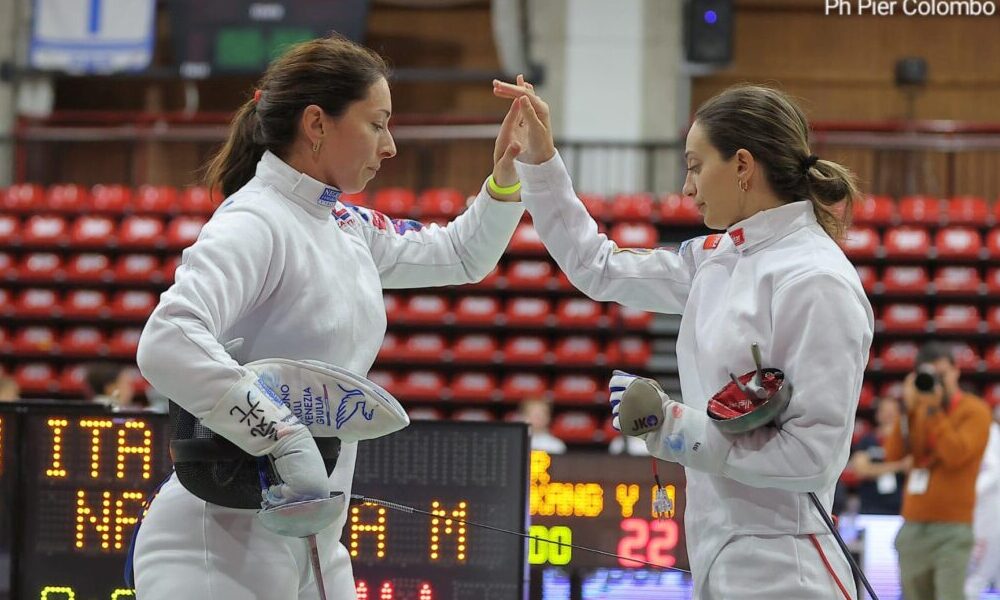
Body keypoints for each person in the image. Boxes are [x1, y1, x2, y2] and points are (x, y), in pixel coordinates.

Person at [132, 35, 526, 599]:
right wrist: (284, 438)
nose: (390, 146)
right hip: (217, 543)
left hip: (313, 539)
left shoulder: (343, 224)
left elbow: (463, 255)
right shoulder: (254, 221)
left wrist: (506, 176)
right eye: (377, 123)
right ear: (317, 124)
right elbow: (168, 342)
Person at [495, 79, 873, 599]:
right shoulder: (719, 258)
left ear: (742, 166)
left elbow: (813, 457)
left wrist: (674, 427)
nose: (686, 188)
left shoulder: (815, 280)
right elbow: (596, 266)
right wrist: (540, 164)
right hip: (718, 556)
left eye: (695, 166)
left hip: (787, 571)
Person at [883, 342, 991, 600]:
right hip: (913, 523)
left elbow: (955, 455)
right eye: (930, 377)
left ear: (956, 371)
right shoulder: (917, 411)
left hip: (953, 527)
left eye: (942, 375)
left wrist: (932, 411)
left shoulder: (975, 411)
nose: (937, 383)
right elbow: (894, 454)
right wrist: (907, 410)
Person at [848, 396, 911, 515]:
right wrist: (898, 466)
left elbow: (912, 467)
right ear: (878, 414)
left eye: (892, 412)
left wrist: (874, 469)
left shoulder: (907, 442)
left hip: (901, 509)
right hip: (870, 507)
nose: (889, 415)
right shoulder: (867, 440)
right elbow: (861, 470)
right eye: (885, 411)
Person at [966, 406, 1000, 598]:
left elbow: (992, 472)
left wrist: (968, 492)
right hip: (981, 514)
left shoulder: (989, 432)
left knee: (975, 579)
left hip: (988, 517)